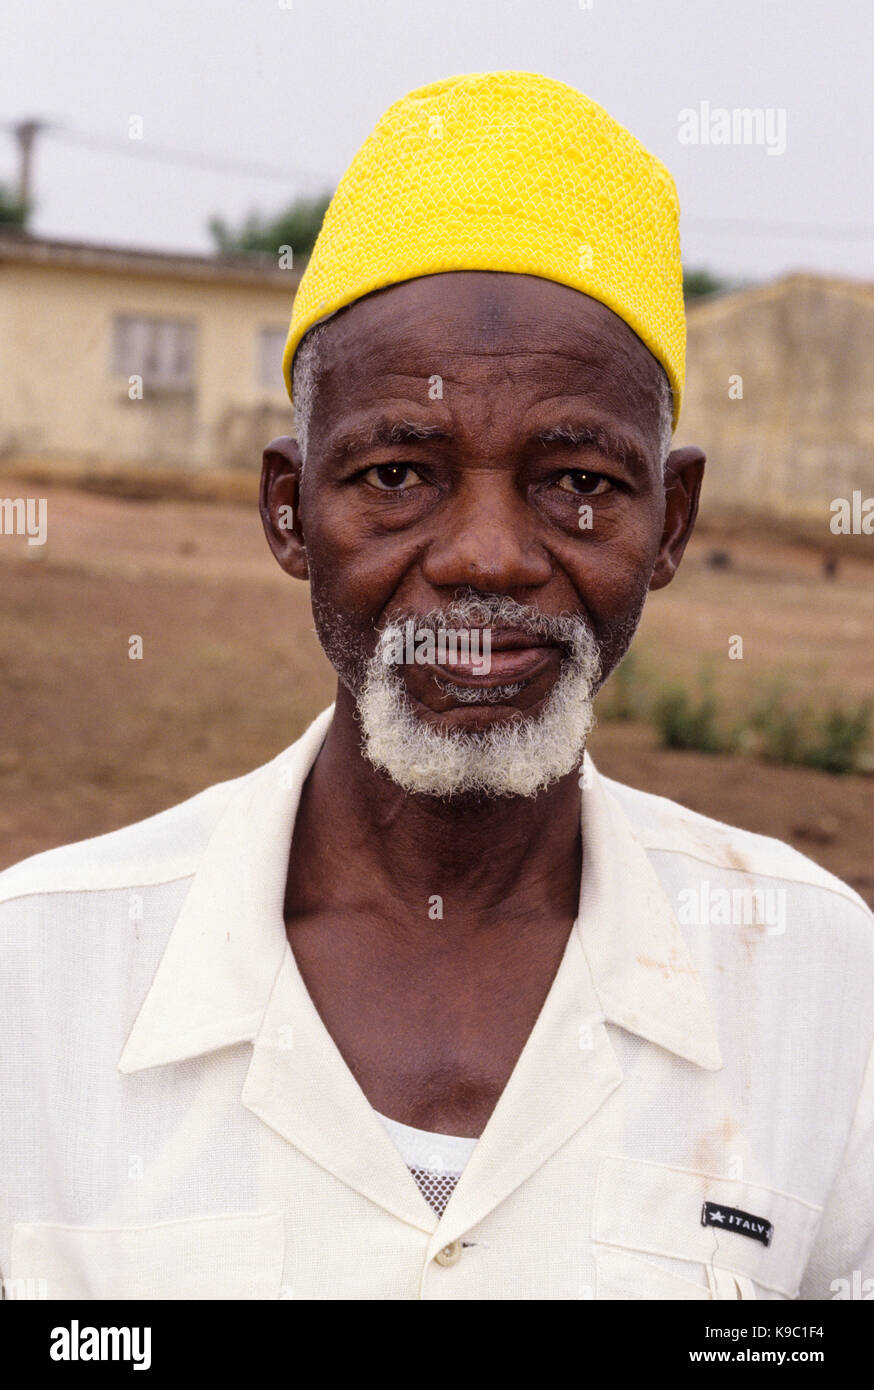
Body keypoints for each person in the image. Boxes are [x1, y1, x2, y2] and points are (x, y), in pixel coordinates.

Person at [1, 71, 872, 1301]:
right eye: (399, 473)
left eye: (577, 479)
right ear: (286, 509)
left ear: (670, 522)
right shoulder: (38, 977)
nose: (487, 559)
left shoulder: (818, 980)